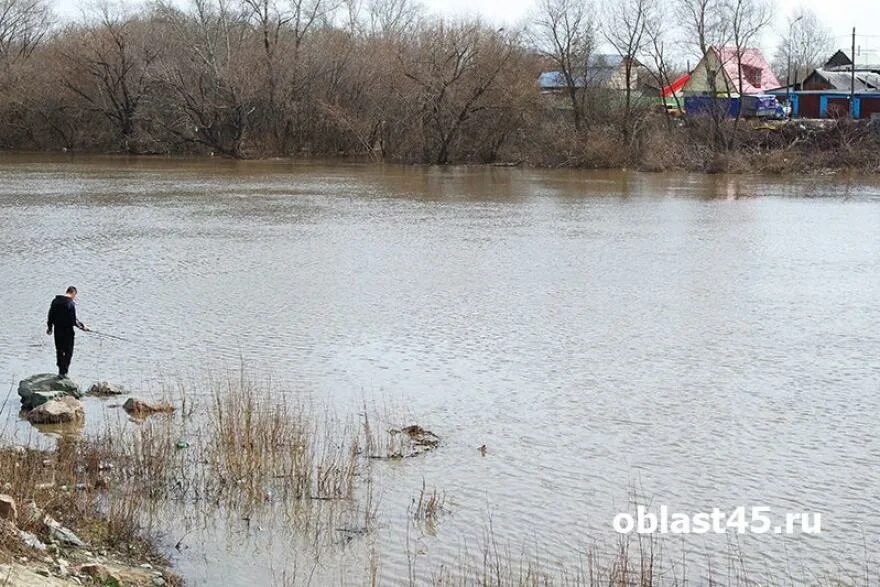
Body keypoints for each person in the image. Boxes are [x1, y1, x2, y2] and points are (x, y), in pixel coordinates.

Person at [46, 286, 90, 378]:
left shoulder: (55, 301)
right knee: (68, 351)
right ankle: (64, 371)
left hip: (57, 330)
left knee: (59, 350)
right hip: (68, 331)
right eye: (75, 296)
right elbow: (73, 320)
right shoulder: (70, 304)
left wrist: (50, 327)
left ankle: (61, 371)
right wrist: (83, 327)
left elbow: (50, 315)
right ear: (73, 293)